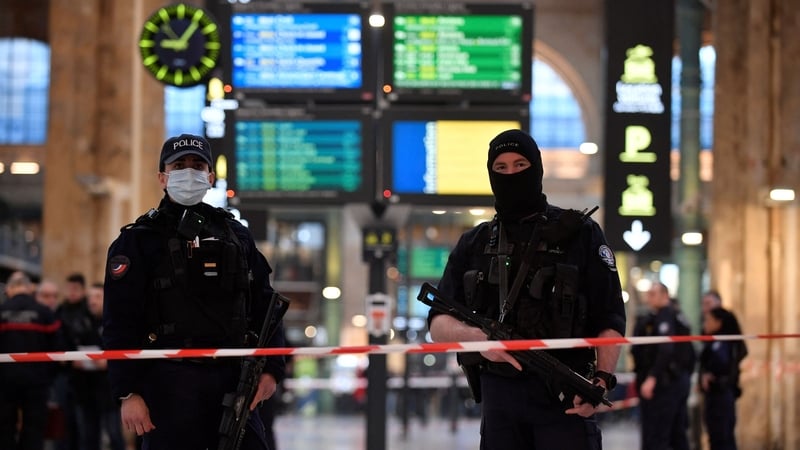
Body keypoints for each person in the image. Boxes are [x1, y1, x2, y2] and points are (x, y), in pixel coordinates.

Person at [427, 129, 626, 449]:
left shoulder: (581, 234)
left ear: (537, 168)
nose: (511, 174)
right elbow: (437, 323)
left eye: (520, 165)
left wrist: (600, 382)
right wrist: (481, 341)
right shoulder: (475, 243)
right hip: (500, 404)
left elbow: (611, 318)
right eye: (501, 168)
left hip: (566, 397)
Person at [102, 133, 286, 450]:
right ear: (163, 177)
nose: (189, 172)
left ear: (210, 176)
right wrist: (128, 392)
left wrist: (272, 369)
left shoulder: (235, 233)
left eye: (197, 165)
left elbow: (265, 304)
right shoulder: (138, 240)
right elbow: (119, 320)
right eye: (179, 165)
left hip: (234, 381)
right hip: (168, 383)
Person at [0, 271, 62, 450]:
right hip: (37, 382)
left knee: (4, 429)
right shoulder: (44, 313)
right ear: (29, 288)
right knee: (33, 430)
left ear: (11, 288)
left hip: (4, 382)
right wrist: (48, 376)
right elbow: (57, 349)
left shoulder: (2, 311)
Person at [631, 282, 693, 450]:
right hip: (675, 381)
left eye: (653, 294)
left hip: (665, 384)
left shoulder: (666, 317)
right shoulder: (673, 316)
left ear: (665, 295)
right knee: (676, 434)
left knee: (658, 435)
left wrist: (652, 378)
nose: (648, 297)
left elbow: (666, 350)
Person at [71, 282, 125, 450]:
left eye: (97, 297)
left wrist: (109, 362)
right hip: (85, 389)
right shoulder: (80, 321)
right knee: (88, 436)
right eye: (90, 298)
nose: (92, 301)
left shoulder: (116, 322)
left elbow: (125, 351)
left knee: (114, 433)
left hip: (109, 390)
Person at [54, 273, 95, 450]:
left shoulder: (89, 311)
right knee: (64, 421)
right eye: (69, 289)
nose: (71, 293)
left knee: (84, 423)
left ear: (83, 290)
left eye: (75, 289)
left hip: (87, 376)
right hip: (64, 373)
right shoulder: (60, 311)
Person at [699, 307, 746, 450]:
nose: (705, 324)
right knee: (718, 437)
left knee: (721, 437)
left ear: (718, 322)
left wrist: (710, 376)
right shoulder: (715, 342)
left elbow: (722, 366)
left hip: (721, 395)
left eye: (708, 320)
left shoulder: (723, 344)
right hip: (717, 395)